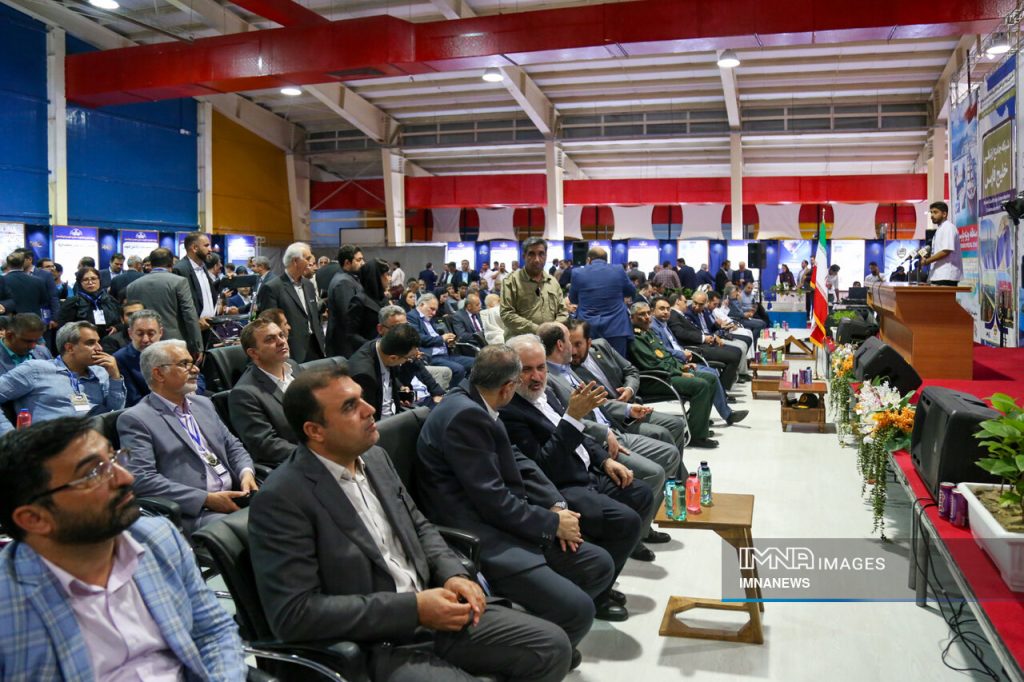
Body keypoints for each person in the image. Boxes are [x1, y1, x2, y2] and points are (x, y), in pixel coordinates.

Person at [248, 366, 572, 681]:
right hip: (376, 642)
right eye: (350, 406)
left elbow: (419, 525)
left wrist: (452, 574)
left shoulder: (374, 457)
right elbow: (295, 614)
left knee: (553, 647)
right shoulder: (282, 498)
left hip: (432, 609)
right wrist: (413, 608)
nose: (369, 409)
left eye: (362, 398)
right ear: (315, 431)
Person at [0, 417, 249, 681]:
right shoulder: (8, 603)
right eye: (94, 473)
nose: (125, 477)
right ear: (34, 519)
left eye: (114, 458)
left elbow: (213, 632)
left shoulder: (158, 538)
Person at [417, 345, 617, 652]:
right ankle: (547, 652)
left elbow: (519, 461)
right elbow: (493, 502)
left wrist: (556, 505)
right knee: (579, 610)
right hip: (482, 536)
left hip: (508, 517)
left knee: (599, 564)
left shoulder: (475, 399)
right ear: (508, 387)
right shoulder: (465, 417)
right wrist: (551, 523)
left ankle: (547, 633)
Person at [501, 334, 651, 616]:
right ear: (511, 372)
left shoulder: (546, 393)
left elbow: (580, 435)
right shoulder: (510, 411)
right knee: (626, 521)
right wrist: (572, 417)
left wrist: (605, 460)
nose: (537, 376)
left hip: (587, 470)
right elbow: (542, 465)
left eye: (541, 367)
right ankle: (597, 595)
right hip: (561, 486)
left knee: (641, 493)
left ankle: (603, 580)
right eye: (527, 370)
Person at [118, 340, 257, 534]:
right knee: (258, 527)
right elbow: (143, 479)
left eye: (192, 363)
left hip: (237, 493)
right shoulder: (136, 419)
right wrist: (206, 499)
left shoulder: (203, 404)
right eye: (184, 364)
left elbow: (232, 446)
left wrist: (246, 473)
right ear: (159, 374)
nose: (195, 369)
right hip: (196, 512)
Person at [0, 321, 124, 434]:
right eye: (91, 343)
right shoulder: (35, 370)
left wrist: (115, 377)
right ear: (70, 348)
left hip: (95, 438)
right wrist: (8, 435)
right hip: (51, 443)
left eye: (98, 342)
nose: (99, 348)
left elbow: (115, 411)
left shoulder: (100, 372)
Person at [628, 303, 718, 448]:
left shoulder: (648, 332)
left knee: (711, 379)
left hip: (667, 374)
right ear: (632, 317)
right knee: (701, 385)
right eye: (641, 315)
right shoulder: (635, 337)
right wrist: (679, 372)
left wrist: (682, 366)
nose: (647, 317)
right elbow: (652, 364)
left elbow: (665, 356)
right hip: (655, 380)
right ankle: (697, 437)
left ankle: (698, 426)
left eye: (648, 313)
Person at [229, 318, 303, 467]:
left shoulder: (293, 367)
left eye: (281, 335)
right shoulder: (244, 394)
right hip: (296, 463)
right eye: (270, 339)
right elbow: (266, 445)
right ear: (253, 353)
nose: (281, 342)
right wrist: (316, 455)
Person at [256, 242, 326, 363]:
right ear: (295, 261)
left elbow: (314, 317)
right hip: (292, 351)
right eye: (307, 258)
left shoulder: (308, 285)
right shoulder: (272, 288)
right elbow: (270, 326)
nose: (310, 263)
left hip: (316, 348)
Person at [127, 248, 203, 357]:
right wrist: (198, 345)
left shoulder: (132, 286)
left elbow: (130, 318)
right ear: (171, 263)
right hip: (173, 344)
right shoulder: (179, 282)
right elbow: (189, 314)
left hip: (142, 344)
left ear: (151, 263)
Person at [347, 323, 427, 420]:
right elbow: (369, 418)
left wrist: (398, 393)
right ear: (393, 358)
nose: (408, 360)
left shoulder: (383, 347)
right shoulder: (364, 376)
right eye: (409, 358)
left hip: (394, 410)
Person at [666, 294, 748, 386]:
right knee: (734, 356)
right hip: (695, 349)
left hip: (701, 344)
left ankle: (722, 386)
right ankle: (722, 388)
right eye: (685, 302)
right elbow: (681, 334)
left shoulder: (680, 315)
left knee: (737, 351)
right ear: (678, 302)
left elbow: (698, 330)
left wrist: (709, 336)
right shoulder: (674, 315)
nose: (687, 304)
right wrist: (704, 338)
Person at [568, 247, 637, 357]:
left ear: (589, 259)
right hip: (617, 327)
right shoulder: (618, 270)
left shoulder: (577, 273)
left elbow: (573, 299)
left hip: (588, 328)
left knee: (591, 364)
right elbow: (632, 291)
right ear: (606, 260)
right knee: (618, 363)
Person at [500, 238, 569, 336]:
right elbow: (507, 314)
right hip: (521, 340)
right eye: (531, 254)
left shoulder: (552, 282)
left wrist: (553, 329)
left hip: (549, 339)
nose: (537, 259)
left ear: (546, 256)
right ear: (524, 256)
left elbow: (563, 311)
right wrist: (538, 329)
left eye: (541, 254)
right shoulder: (511, 281)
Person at [407, 293, 475, 385]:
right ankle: (452, 392)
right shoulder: (411, 317)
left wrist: (448, 342)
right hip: (431, 356)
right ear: (422, 304)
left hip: (445, 354)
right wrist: (442, 339)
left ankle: (467, 389)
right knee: (459, 369)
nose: (434, 313)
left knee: (476, 363)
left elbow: (436, 337)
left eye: (435, 310)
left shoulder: (429, 318)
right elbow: (419, 338)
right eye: (432, 309)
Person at [113, 310, 166, 408]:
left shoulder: (171, 352)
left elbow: (191, 381)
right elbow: (133, 399)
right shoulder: (120, 359)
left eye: (151, 333)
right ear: (130, 333)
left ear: (160, 332)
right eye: (140, 334)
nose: (145, 339)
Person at [171, 232, 217, 336]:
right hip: (192, 331)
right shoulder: (180, 269)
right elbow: (177, 304)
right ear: (195, 248)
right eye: (206, 246)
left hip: (209, 328)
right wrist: (195, 322)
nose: (210, 249)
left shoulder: (203, 266)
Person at [58, 267, 121, 339]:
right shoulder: (73, 303)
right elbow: (65, 328)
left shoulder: (110, 300)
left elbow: (121, 320)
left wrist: (116, 328)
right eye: (85, 280)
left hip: (110, 339)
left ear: (99, 280)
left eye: (93, 279)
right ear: (80, 282)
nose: (90, 282)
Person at [326, 244, 367, 357]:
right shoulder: (343, 282)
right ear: (347, 263)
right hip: (345, 345)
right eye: (358, 260)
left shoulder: (349, 278)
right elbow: (348, 316)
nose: (363, 263)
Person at [923, 201, 963, 286]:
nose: (932, 215)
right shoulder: (940, 228)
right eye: (931, 212)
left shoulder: (948, 227)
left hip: (946, 275)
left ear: (944, 214)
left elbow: (946, 251)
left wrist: (927, 261)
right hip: (939, 275)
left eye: (935, 212)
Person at [4, 251, 47, 317]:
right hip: (33, 319)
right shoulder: (38, 281)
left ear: (7, 264)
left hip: (10, 319)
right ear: (23, 263)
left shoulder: (3, 281)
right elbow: (44, 301)